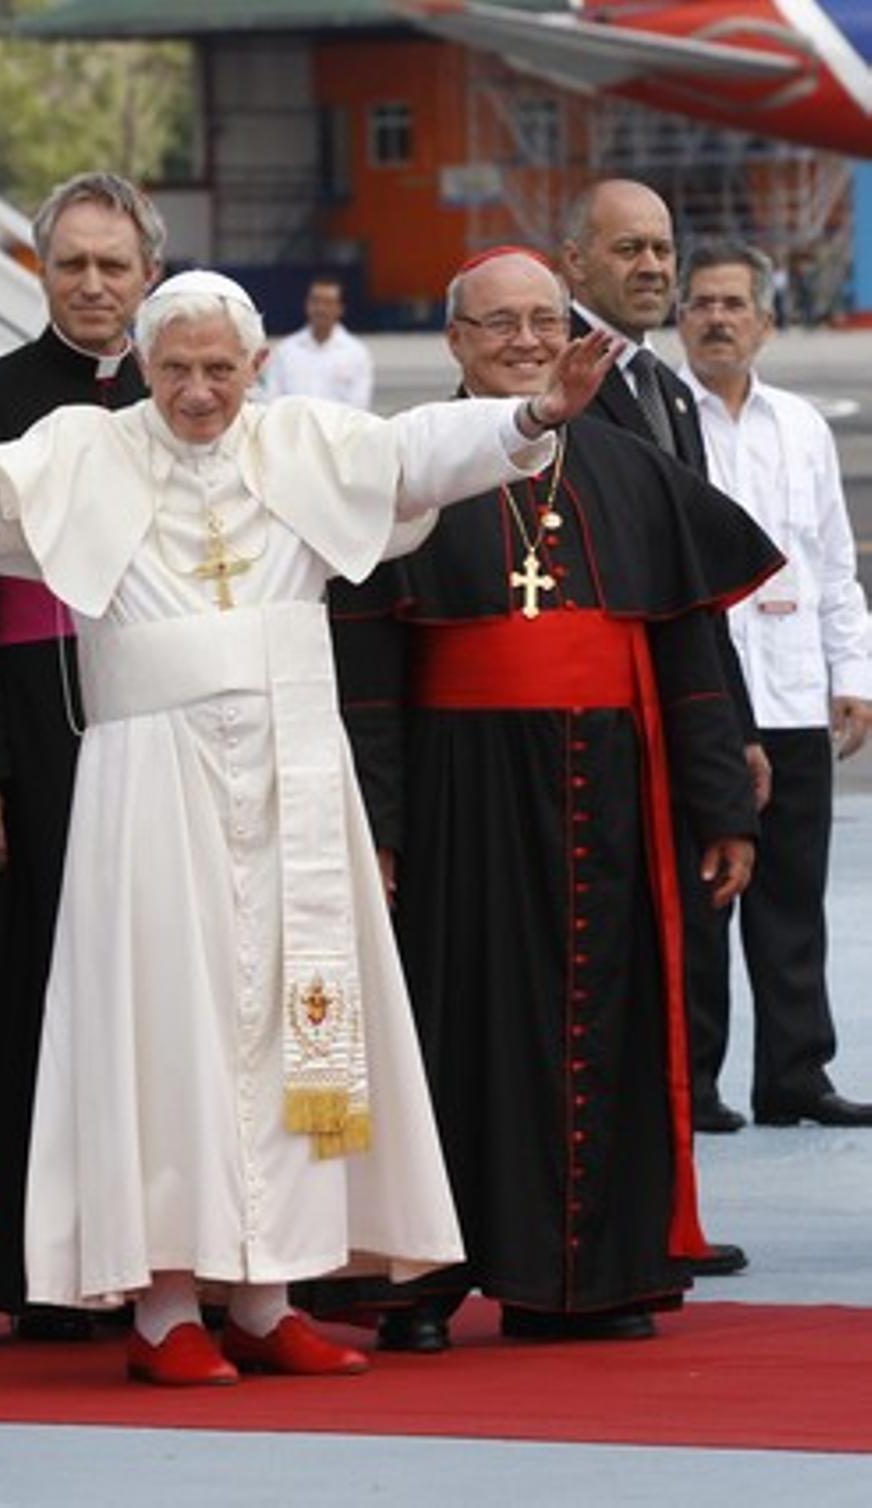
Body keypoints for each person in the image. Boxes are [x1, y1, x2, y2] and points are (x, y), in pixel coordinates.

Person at [0, 268, 618, 1385]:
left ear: (256, 366)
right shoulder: (86, 449)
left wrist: (537, 415)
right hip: (150, 783)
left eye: (219, 368)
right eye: (175, 370)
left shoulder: (305, 439)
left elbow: (419, 452)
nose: (198, 392)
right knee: (168, 1032)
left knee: (290, 1034)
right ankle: (166, 1310)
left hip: (294, 773)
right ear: (142, 371)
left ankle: (268, 1293)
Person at [329, 247, 780, 1352]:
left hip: (608, 797)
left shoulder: (627, 467)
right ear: (454, 341)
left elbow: (688, 647)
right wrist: (377, 829)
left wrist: (722, 801)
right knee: (450, 1028)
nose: (527, 340)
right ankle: (425, 1278)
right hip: (454, 798)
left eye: (544, 319)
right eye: (499, 324)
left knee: (606, 1022)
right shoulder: (409, 465)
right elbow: (370, 678)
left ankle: (579, 1278)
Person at [0, 172, 163, 1337]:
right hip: (29, 743)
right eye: (74, 264)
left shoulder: (192, 391)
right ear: (42, 270)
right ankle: (40, 1268)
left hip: (163, 734)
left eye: (116, 264)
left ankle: (172, 1253)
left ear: (149, 272)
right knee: (29, 1001)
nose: (97, 285)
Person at [561, 181, 767, 1233]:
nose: (652, 266)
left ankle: (666, 1206)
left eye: (662, 249)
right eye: (628, 248)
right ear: (576, 262)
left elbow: (698, 587)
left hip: (674, 712)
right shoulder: (561, 379)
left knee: (684, 965)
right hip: (590, 728)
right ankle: (625, 1214)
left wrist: (728, 732)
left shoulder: (669, 392)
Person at [677, 240, 872, 1127]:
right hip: (709, 697)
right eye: (703, 302)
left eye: (734, 304)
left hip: (792, 692)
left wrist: (853, 673)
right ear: (681, 320)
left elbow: (834, 560)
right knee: (703, 894)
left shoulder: (801, 427)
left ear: (766, 321)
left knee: (792, 893)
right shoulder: (666, 419)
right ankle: (698, 1079)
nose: (718, 317)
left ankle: (795, 1073)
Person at [261, 276, 374, 408]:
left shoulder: (357, 354)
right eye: (315, 301)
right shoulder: (285, 350)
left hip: (340, 428)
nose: (321, 309)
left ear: (340, 308)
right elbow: (272, 401)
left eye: (328, 303)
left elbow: (359, 407)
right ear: (307, 304)